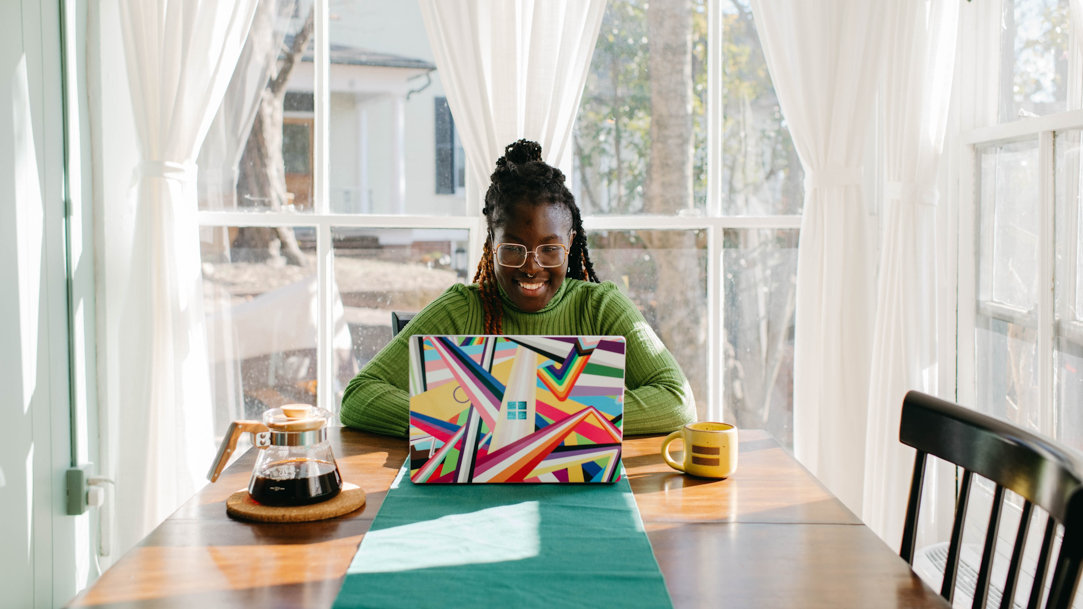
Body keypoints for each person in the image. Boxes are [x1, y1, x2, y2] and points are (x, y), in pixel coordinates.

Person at [340, 139, 696, 437]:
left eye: (550, 249)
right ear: (490, 244)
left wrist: (533, 423)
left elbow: (677, 400)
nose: (531, 266)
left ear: (570, 244)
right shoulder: (462, 309)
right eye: (512, 248)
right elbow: (359, 396)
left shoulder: (599, 306)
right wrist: (461, 423)